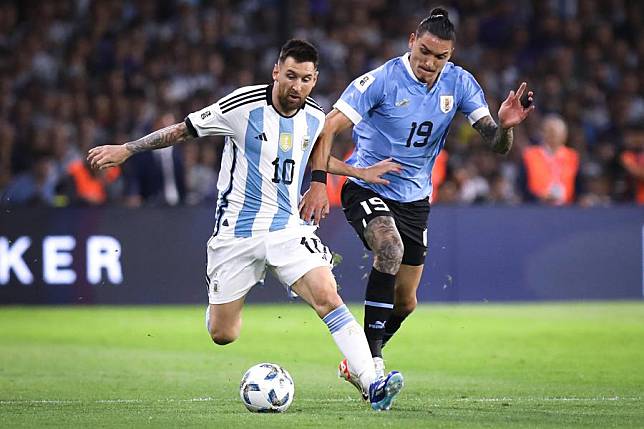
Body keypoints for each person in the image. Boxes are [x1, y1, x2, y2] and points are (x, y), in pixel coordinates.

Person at [87, 39, 404, 411]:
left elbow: (315, 152)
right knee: (224, 334)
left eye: (305, 79)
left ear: (314, 79)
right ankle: (219, 304)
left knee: (327, 295)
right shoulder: (241, 105)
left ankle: (370, 380)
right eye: (290, 76)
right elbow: (182, 130)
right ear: (276, 72)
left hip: (287, 229)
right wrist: (127, 149)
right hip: (235, 234)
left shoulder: (316, 116)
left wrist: (353, 172)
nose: (296, 86)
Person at [299, 8, 535, 387]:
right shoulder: (381, 81)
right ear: (412, 41)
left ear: (451, 55)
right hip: (367, 185)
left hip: (414, 200)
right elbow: (328, 128)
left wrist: (506, 127)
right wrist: (317, 182)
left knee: (406, 302)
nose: (430, 62)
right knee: (389, 248)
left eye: (440, 56)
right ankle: (371, 366)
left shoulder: (459, 84)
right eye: (424, 51)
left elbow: (497, 144)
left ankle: (358, 358)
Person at [520, 114, 579, 205]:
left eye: (556, 133)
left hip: (567, 209)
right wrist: (538, 197)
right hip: (536, 207)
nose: (553, 135)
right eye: (550, 132)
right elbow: (522, 185)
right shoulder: (530, 155)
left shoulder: (572, 157)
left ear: (564, 135)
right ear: (542, 133)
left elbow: (578, 185)